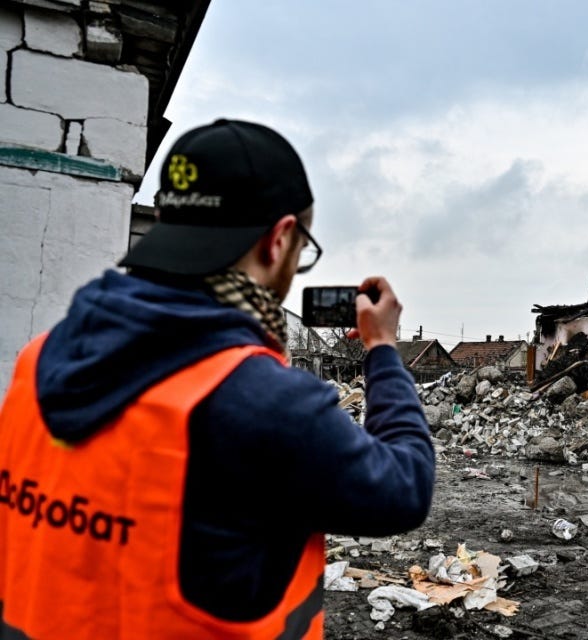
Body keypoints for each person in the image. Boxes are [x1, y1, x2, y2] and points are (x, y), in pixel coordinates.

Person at [0, 119, 435, 639]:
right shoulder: (263, 402)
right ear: (278, 240)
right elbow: (405, 486)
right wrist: (383, 347)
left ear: (165, 220)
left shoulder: (37, 363)